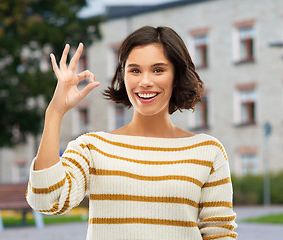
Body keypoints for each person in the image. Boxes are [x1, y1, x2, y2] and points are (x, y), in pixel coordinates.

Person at [26, 26, 237, 240]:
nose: (145, 81)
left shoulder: (208, 151)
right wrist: (55, 112)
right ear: (123, 76)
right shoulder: (92, 148)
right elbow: (46, 200)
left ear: (176, 76)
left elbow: (219, 233)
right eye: (135, 70)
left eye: (158, 70)